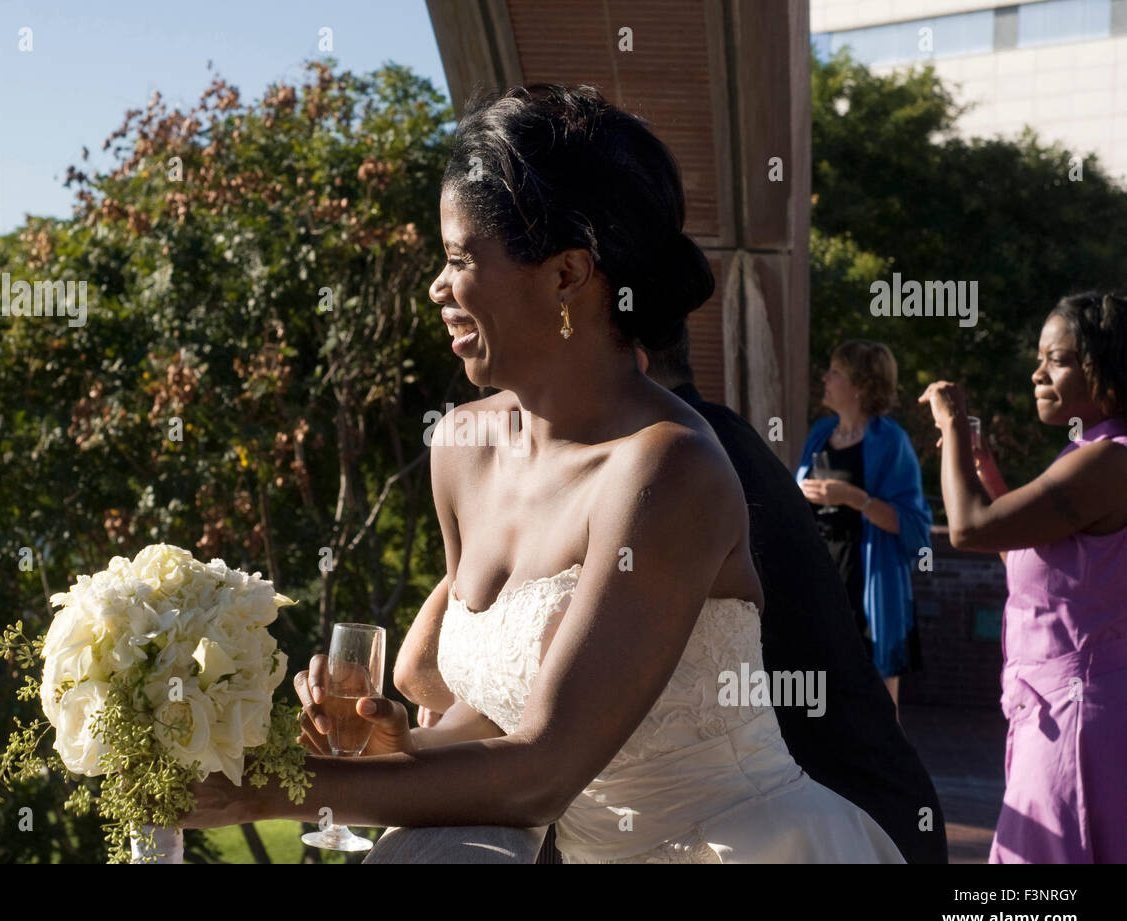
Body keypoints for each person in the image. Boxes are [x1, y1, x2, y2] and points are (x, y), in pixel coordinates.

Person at [183, 83, 904, 862]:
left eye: (460, 258)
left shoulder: (670, 469)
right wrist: (403, 746)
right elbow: (495, 714)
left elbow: (544, 770)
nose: (438, 286)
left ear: (566, 276)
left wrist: (274, 786)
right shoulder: (459, 448)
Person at [390, 324, 946, 864]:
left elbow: (444, 683)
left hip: (828, 821)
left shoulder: (672, 468)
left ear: (630, 361)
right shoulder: (683, 450)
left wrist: (326, 783)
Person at [919, 292, 1127, 864]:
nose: (1037, 373)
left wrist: (953, 424)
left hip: (1080, 725)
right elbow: (1028, 558)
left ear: (1103, 367)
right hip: (1058, 713)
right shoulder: (1091, 454)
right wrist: (984, 468)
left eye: (1055, 359)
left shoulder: (1108, 459)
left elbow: (967, 529)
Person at [796, 341, 932, 719]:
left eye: (835, 372)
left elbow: (915, 526)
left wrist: (854, 498)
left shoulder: (891, 441)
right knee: (821, 702)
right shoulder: (821, 433)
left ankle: (883, 776)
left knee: (877, 708)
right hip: (821, 578)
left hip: (869, 581)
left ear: (859, 385)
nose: (824, 377)